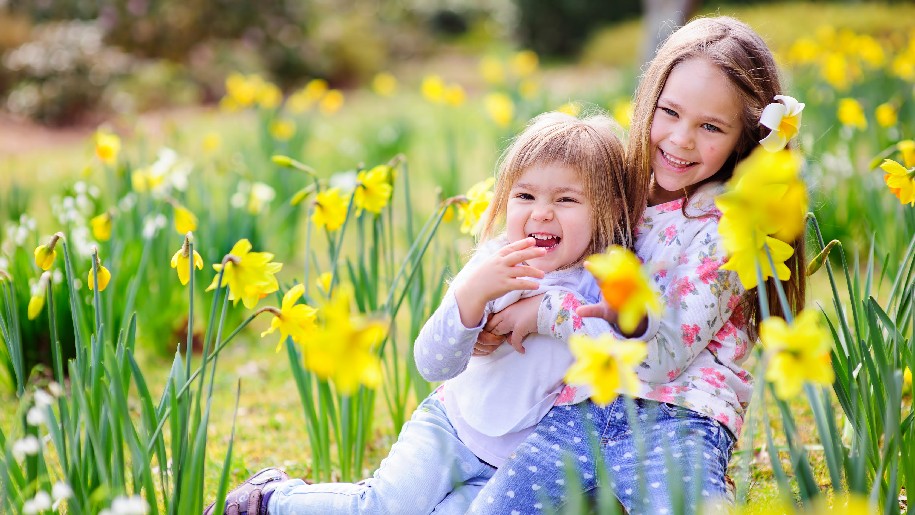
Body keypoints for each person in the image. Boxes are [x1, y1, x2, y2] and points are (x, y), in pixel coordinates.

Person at [204, 110, 638, 515]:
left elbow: (622, 354)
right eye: (525, 195)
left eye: (565, 200)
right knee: (385, 507)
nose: (540, 213)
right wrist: (470, 298)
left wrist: (546, 310)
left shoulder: (606, 279)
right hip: (450, 424)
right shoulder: (495, 265)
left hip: (517, 465)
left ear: (609, 210)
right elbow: (432, 363)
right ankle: (273, 499)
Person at [466, 15, 807, 515]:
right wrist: (488, 312)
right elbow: (545, 247)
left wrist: (543, 312)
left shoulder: (733, 229)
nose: (681, 139)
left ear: (745, 138)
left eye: (710, 126)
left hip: (679, 418)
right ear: (649, 101)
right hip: (578, 407)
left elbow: (661, 356)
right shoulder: (619, 192)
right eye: (669, 112)